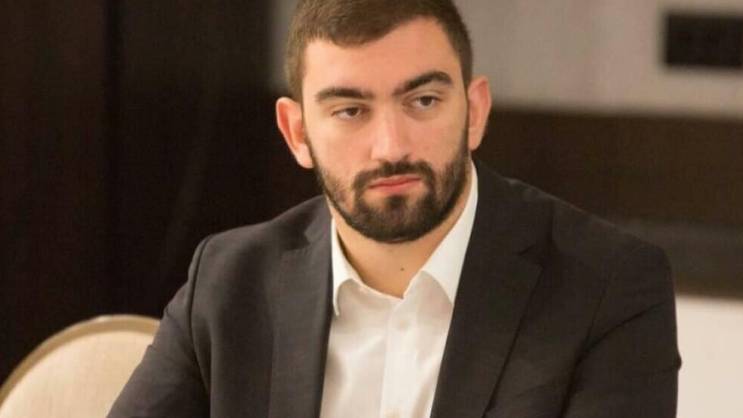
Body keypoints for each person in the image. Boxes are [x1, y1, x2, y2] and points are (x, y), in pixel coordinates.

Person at [108, 1, 681, 417]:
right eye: (350, 111)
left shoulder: (609, 287)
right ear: (297, 132)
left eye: (423, 100)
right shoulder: (228, 279)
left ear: (475, 111)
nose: (391, 147)